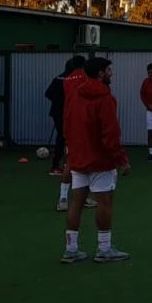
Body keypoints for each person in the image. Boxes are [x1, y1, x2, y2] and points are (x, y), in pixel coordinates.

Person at [61, 57, 131, 263]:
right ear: (100, 73)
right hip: (100, 159)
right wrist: (122, 159)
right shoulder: (105, 99)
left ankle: (71, 249)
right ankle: (104, 248)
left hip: (78, 157)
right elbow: (110, 133)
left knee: (77, 202)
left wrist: (72, 150)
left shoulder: (75, 95)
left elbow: (67, 124)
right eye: (109, 70)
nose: (112, 73)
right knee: (105, 202)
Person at [57, 56, 96, 212]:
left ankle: (64, 199)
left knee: (70, 161)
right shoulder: (88, 77)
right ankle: (79, 197)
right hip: (84, 123)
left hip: (69, 122)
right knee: (85, 161)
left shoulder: (67, 79)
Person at [43, 57, 81, 175]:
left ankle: (57, 165)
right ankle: (69, 164)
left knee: (61, 137)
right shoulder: (75, 80)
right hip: (68, 113)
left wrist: (58, 102)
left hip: (57, 112)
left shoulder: (58, 78)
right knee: (71, 138)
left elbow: (48, 93)